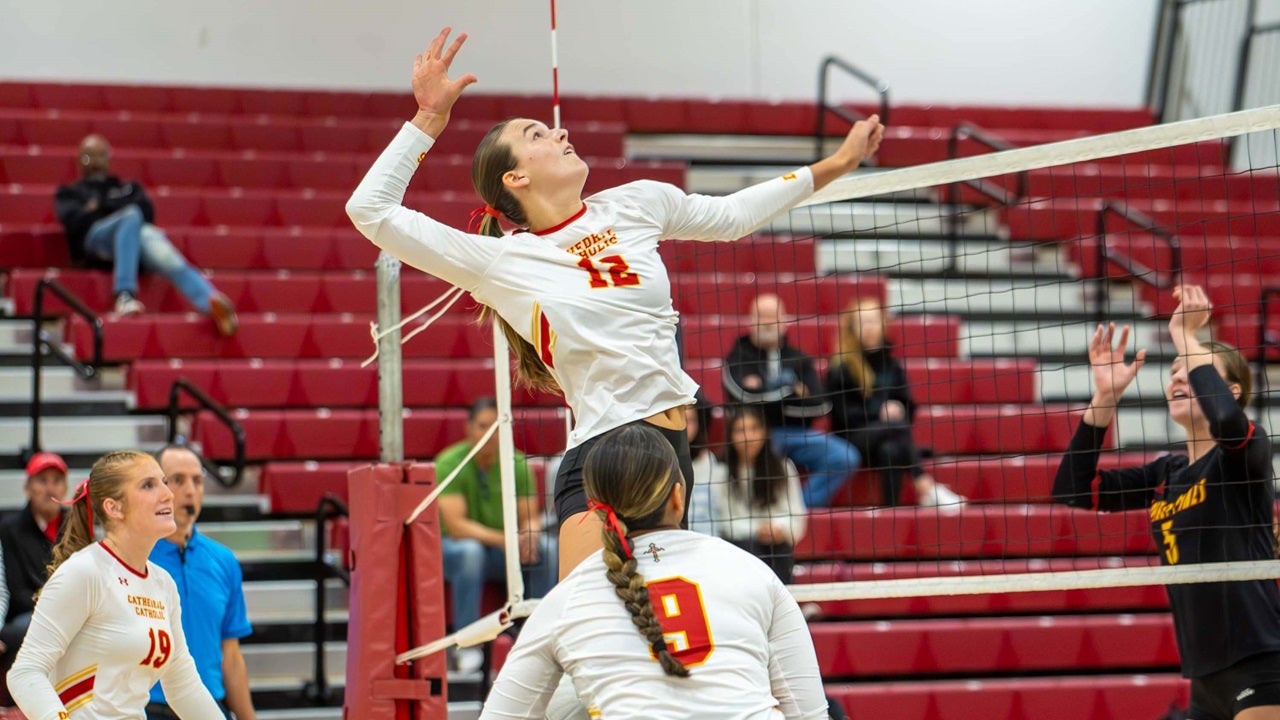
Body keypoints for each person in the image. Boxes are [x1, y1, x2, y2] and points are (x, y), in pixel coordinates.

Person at [345, 28, 884, 577]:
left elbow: (734, 216)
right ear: (517, 177)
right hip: (603, 453)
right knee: (588, 629)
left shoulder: (635, 203)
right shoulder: (501, 260)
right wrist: (429, 119)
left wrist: (837, 164)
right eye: (537, 134)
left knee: (657, 629)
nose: (559, 132)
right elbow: (371, 211)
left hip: (671, 450)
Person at [479, 424, 829, 719]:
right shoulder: (755, 573)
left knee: (565, 703)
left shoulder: (565, 600)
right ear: (679, 497)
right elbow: (809, 712)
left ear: (598, 511)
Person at [1052, 285, 1280, 720]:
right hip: (1202, 675)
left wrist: (1184, 335)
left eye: (1191, 371)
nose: (1177, 377)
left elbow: (1230, 425)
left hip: (1259, 661)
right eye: (1173, 371)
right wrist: (1105, 396)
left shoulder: (1244, 456)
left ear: (1229, 390)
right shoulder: (1166, 473)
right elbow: (1074, 489)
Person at [8, 450, 225, 719]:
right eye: (149, 485)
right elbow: (25, 672)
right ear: (114, 507)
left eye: (163, 482)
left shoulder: (163, 584)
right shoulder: (85, 572)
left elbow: (183, 685)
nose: (168, 494)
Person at [53, 134, 238, 336]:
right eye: (89, 156)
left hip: (134, 240)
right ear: (80, 160)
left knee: (157, 245)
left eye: (100, 156)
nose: (95, 162)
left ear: (108, 159)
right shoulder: (70, 193)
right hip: (96, 242)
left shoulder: (127, 187)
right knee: (132, 216)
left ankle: (211, 301)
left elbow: (147, 211)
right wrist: (116, 207)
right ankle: (124, 294)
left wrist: (99, 206)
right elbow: (76, 223)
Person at [439, 398, 557, 671]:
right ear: (468, 429)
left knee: (547, 548)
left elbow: (530, 517)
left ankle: (538, 637)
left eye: (495, 427)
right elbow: (457, 527)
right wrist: (508, 541)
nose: (489, 434)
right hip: (455, 550)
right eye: (482, 426)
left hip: (501, 550)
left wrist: (530, 535)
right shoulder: (449, 463)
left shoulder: (516, 462)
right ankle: (468, 645)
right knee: (470, 552)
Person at [722, 294, 861, 508]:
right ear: (750, 320)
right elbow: (744, 397)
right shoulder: (737, 356)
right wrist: (790, 391)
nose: (768, 323)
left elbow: (821, 405)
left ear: (785, 320)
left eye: (773, 316)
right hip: (755, 434)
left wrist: (765, 391)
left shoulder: (800, 358)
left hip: (798, 434)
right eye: (762, 316)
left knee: (845, 457)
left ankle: (799, 508)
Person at [146, 446, 255, 720]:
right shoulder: (132, 557)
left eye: (197, 480)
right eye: (178, 480)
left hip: (209, 707)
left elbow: (231, 656)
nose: (190, 490)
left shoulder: (223, 561)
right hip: (148, 709)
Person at [826, 298, 965, 508]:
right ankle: (925, 485)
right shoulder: (840, 368)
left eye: (873, 321)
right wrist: (879, 414)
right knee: (893, 426)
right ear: (852, 329)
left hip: (888, 439)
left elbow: (908, 406)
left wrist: (898, 408)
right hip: (851, 441)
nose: (869, 328)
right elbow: (841, 417)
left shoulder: (892, 365)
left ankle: (890, 515)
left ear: (883, 324)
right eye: (862, 322)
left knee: (891, 450)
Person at [0, 452, 69, 692]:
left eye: (56, 481)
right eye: (42, 481)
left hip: (73, 611)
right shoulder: (10, 529)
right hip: (29, 613)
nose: (50, 488)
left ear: (66, 487)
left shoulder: (76, 527)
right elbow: (16, 592)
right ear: (27, 487)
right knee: (25, 629)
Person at [714, 408, 807, 584]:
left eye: (753, 428)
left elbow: (797, 519)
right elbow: (724, 523)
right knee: (751, 546)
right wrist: (758, 530)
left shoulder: (783, 468)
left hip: (775, 548)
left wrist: (779, 529)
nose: (747, 436)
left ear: (764, 432)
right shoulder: (720, 471)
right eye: (740, 430)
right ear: (731, 435)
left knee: (778, 548)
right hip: (737, 548)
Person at [682, 393, 724, 536]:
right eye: (680, 420)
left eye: (690, 420)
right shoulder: (660, 461)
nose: (683, 426)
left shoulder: (708, 462)